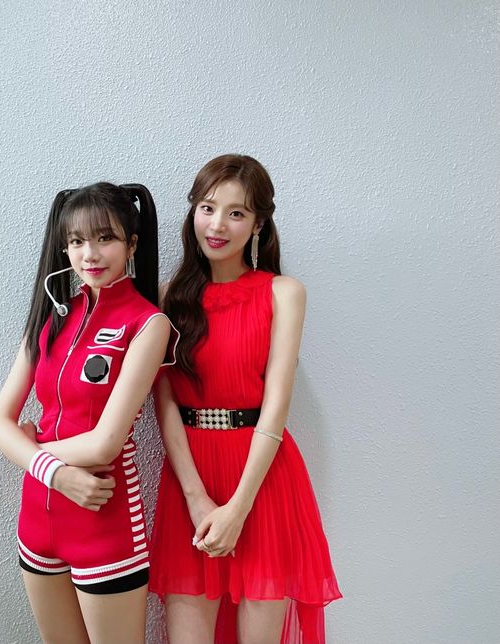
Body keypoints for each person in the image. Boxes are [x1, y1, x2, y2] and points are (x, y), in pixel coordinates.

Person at [149, 155, 342, 644]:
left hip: (262, 481)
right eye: (207, 207)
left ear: (258, 224)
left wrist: (237, 508)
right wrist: (196, 498)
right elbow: (164, 401)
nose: (217, 225)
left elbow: (277, 405)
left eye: (236, 213)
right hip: (190, 477)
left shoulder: (283, 293)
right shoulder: (167, 297)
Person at [0, 182, 177, 644]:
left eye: (105, 238)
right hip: (37, 518)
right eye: (76, 241)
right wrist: (55, 474)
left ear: (132, 244)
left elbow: (104, 444)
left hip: (104, 518)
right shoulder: (49, 315)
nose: (89, 254)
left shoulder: (148, 324)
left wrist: (31, 450)